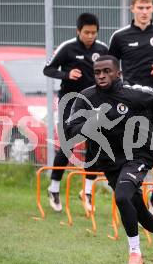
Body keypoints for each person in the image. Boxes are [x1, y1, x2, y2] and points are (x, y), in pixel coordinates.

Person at [67, 55, 153, 264]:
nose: (102, 76)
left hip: (138, 155)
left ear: (118, 74)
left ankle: (135, 252)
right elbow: (71, 130)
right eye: (97, 72)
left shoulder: (134, 94)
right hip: (109, 160)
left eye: (107, 71)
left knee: (122, 196)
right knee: (136, 206)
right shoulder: (86, 98)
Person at [108, 0, 153, 218]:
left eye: (148, 8)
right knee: (128, 156)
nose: (144, 12)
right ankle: (131, 200)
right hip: (128, 106)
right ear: (132, 9)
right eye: (140, 8)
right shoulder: (119, 37)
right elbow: (109, 66)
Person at [43, 13, 108, 212]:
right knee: (67, 144)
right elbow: (48, 69)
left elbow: (110, 71)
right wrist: (66, 74)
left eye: (94, 33)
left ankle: (87, 191)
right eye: (86, 32)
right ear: (78, 31)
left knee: (95, 144)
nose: (90, 36)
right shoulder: (67, 48)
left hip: (93, 104)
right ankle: (53, 188)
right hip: (69, 103)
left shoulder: (102, 49)